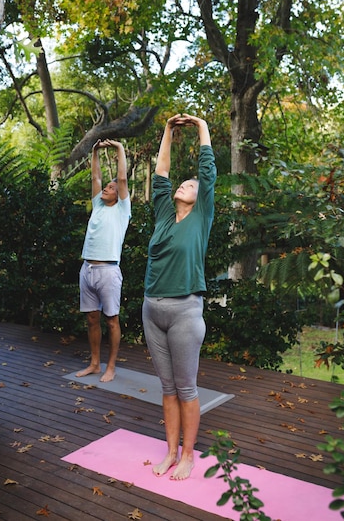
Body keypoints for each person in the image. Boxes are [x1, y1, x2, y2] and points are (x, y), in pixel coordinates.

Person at [142, 113, 216, 480]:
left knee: (186, 387)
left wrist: (201, 125)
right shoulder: (163, 216)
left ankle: (188, 455)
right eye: (183, 183)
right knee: (167, 387)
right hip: (152, 309)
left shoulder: (202, 216)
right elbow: (161, 174)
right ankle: (170, 451)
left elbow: (207, 171)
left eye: (192, 184)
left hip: (186, 311)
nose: (185, 185)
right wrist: (169, 132)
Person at [76, 139, 131, 383]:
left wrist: (119, 148)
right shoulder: (98, 205)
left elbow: (121, 179)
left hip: (108, 270)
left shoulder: (122, 209)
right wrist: (96, 151)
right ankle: (95, 364)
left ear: (119, 194)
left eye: (111, 187)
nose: (107, 188)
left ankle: (111, 366)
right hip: (87, 268)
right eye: (106, 187)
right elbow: (95, 178)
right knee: (91, 319)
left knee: (111, 320)